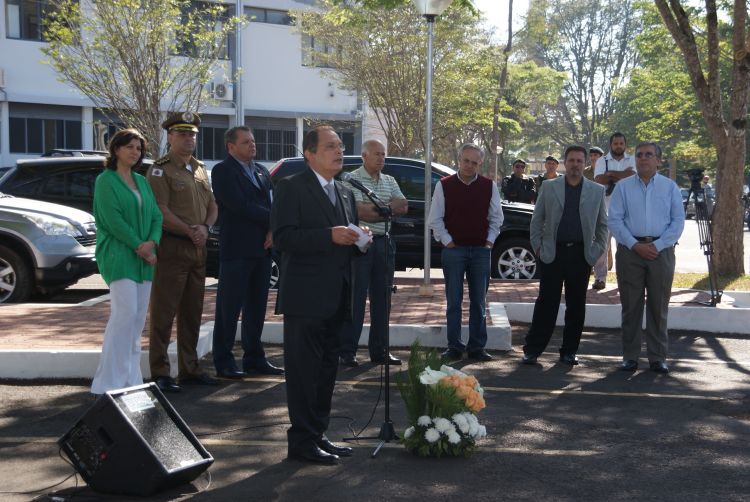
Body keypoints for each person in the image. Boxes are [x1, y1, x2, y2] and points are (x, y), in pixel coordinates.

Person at [272, 125, 369, 465]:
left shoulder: (345, 191)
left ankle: (317, 434)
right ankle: (301, 441)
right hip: (305, 298)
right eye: (330, 146)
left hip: (337, 296)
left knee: (327, 371)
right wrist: (329, 235)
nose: (339, 151)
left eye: (340, 145)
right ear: (310, 154)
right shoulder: (291, 187)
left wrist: (359, 239)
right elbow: (283, 238)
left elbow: (344, 239)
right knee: (303, 373)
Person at [147, 112, 219, 393]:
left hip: (198, 247)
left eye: (192, 134)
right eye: (182, 134)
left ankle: (190, 368)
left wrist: (205, 227)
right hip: (173, 246)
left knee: (192, 311)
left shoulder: (199, 169)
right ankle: (160, 371)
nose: (189, 139)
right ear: (170, 137)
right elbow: (160, 211)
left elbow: (212, 204)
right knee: (164, 313)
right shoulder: (160, 170)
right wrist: (190, 230)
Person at [90, 129, 163, 395]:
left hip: (145, 258)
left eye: (139, 148)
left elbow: (156, 216)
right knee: (124, 315)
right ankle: (108, 384)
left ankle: (131, 381)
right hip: (119, 255)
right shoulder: (105, 180)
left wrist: (152, 242)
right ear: (116, 149)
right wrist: (139, 246)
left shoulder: (141, 181)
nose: (135, 152)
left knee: (136, 320)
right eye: (129, 147)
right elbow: (113, 220)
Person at [520, 145, 607, 366]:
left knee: (576, 305)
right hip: (552, 254)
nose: (575, 164)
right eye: (571, 160)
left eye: (579, 161)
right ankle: (532, 350)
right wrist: (538, 248)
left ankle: (569, 351)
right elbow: (537, 220)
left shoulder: (596, 191)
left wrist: (595, 252)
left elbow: (602, 226)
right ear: (564, 163)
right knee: (546, 304)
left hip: (581, 255)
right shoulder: (549, 187)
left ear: (584, 164)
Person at [211, 126, 283, 379]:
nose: (252, 145)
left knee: (256, 307)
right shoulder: (223, 171)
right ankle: (224, 361)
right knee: (229, 309)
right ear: (231, 146)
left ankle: (254, 358)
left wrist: (273, 229)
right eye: (245, 142)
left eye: (253, 141)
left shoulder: (261, 170)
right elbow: (240, 205)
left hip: (263, 249)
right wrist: (274, 220)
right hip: (237, 249)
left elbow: (272, 202)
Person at [608, 142, 685, 374]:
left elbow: (677, 222)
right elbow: (614, 220)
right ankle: (630, 357)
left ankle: (657, 358)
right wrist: (635, 245)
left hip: (661, 252)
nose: (643, 158)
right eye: (639, 155)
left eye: (648, 155)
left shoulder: (670, 187)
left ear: (658, 160)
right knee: (630, 306)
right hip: (630, 252)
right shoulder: (622, 187)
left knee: (658, 307)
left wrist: (657, 245)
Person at [428, 144, 504, 362]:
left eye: (474, 162)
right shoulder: (444, 185)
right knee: (454, 302)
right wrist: (448, 242)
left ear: (480, 163)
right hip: (454, 251)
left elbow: (497, 217)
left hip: (481, 251)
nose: (469, 166)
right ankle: (454, 346)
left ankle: (477, 347)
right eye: (466, 161)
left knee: (479, 302)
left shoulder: (489, 186)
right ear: (459, 160)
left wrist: (489, 242)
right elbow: (435, 218)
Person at [339, 139, 408, 367]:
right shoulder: (351, 179)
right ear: (364, 156)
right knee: (355, 299)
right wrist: (387, 210)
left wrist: (381, 210)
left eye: (383, 154)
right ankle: (347, 351)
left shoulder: (389, 180)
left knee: (383, 299)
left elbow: (403, 205)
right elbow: (360, 212)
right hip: (360, 245)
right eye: (376, 154)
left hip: (384, 244)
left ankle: (380, 351)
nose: (381, 158)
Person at [591, 132, 635, 290]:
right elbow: (599, 179)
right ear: (611, 145)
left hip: (627, 212)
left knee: (625, 248)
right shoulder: (602, 160)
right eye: (615, 143)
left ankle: (625, 279)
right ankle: (600, 278)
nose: (618, 146)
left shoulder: (632, 160)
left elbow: (633, 177)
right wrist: (623, 175)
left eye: (621, 143)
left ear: (625, 145)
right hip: (605, 210)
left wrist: (610, 174)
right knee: (602, 247)